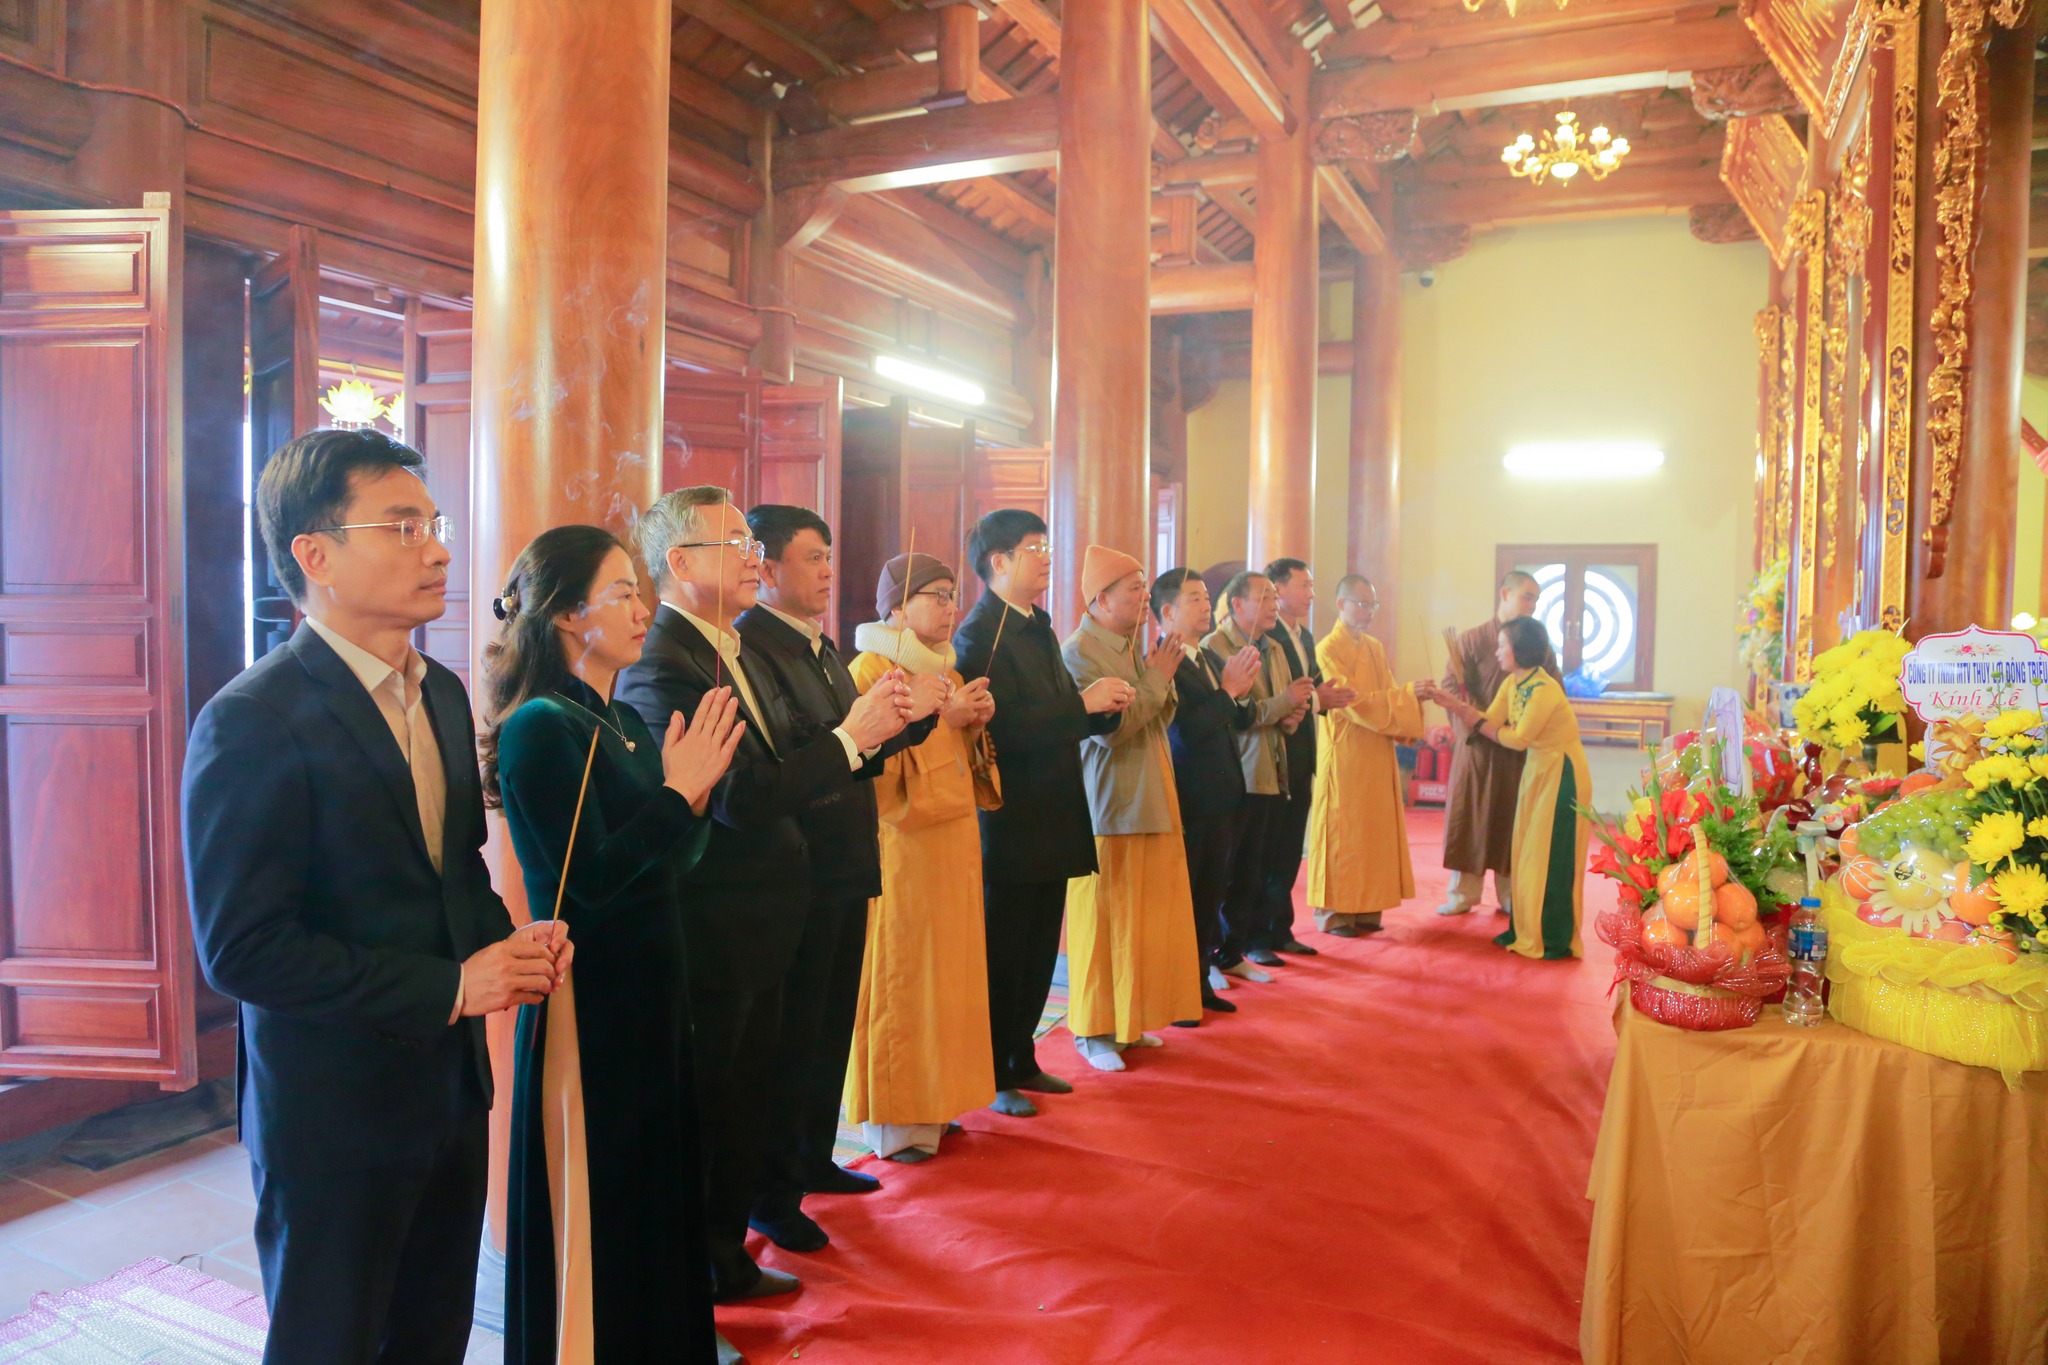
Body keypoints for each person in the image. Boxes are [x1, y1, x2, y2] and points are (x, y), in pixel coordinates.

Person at [182, 429, 567, 1365]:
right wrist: (454, 986)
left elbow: (452, 870)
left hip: (448, 1088)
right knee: (331, 1341)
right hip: (333, 1113)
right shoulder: (253, 718)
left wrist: (509, 944)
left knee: (432, 1334)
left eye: (433, 525)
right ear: (314, 555)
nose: (436, 550)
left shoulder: (440, 692)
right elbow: (243, 948)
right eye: (401, 527)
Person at [615, 487, 912, 1303]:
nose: (753, 557)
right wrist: (851, 737)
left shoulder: (727, 647)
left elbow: (780, 760)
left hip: (768, 908)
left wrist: (862, 734)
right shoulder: (663, 662)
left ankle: (729, 1251)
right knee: (714, 1110)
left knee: (748, 1096)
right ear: (680, 563)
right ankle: (705, 1270)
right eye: (735, 544)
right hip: (719, 916)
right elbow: (737, 796)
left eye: (752, 543)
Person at [485, 527, 743, 1365]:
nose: (642, 607)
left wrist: (691, 801)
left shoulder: (621, 718)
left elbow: (671, 861)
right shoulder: (540, 727)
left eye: (639, 590)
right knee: (603, 1202)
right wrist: (677, 794)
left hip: (652, 987)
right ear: (568, 614)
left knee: (656, 1193)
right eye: (623, 591)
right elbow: (589, 882)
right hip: (590, 1000)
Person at [735, 506, 943, 1253]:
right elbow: (806, 749)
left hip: (846, 857)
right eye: (812, 558)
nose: (828, 571)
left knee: (828, 1031)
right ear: (766, 568)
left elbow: (857, 748)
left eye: (829, 557)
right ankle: (771, 1195)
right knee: (792, 1039)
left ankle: (812, 1157)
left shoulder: (820, 645)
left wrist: (911, 718)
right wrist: (859, 730)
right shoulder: (753, 646)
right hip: (802, 865)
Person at [954, 511, 1133, 1117]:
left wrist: (1101, 711)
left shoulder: (1037, 624)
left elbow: (1057, 714)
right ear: (999, 561)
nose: (1047, 557)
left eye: (1046, 546)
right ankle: (992, 1072)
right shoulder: (981, 635)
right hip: (1010, 820)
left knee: (1036, 949)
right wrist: (1080, 706)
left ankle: (1021, 1056)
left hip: (1053, 809)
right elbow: (998, 730)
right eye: (1034, 548)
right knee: (1004, 951)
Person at [844, 552, 999, 1161]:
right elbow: (878, 779)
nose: (950, 606)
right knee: (904, 977)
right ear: (896, 608)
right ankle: (896, 1120)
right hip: (903, 850)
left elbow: (962, 763)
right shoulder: (871, 669)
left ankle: (938, 1101)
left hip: (952, 846)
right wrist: (944, 721)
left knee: (949, 976)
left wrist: (972, 722)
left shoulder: (945, 671)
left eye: (953, 594)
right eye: (936, 595)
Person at [1060, 546, 1205, 1067]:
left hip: (1149, 794)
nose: (1146, 597)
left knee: (1141, 921)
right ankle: (1094, 1031)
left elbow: (1154, 714)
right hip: (1110, 805)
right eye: (1135, 588)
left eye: (1145, 586)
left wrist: (1157, 678)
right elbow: (1111, 731)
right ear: (1101, 600)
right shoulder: (1080, 652)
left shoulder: (1127, 646)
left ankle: (1128, 1020)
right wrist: (1157, 679)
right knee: (1104, 923)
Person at [1422, 616, 1591, 960]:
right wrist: (1455, 706)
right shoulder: (1514, 683)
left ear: (1519, 650)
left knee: (1551, 854)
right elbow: (1493, 719)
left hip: (1562, 775)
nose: (1498, 651)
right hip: (1537, 771)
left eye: (1503, 646)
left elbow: (1516, 739)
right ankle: (1526, 928)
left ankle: (1552, 936)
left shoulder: (1544, 690)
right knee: (1527, 851)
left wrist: (1469, 714)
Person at [1153, 569, 1261, 1016]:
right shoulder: (1163, 662)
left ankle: (1198, 982)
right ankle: (1178, 993)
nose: (1205, 605)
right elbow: (1185, 733)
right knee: (1187, 898)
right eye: (1194, 598)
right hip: (1192, 797)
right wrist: (1228, 692)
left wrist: (1241, 692)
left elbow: (1236, 717)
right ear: (1167, 611)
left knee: (1210, 895)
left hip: (1223, 795)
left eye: (1205, 597)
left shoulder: (1208, 656)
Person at [1203, 571, 1313, 979]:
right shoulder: (1216, 647)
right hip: (1240, 774)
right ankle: (1214, 955)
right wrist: (1286, 703)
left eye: (1273, 598)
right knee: (1226, 873)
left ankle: (1237, 951)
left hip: (1273, 771)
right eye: (1264, 598)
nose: (1273, 606)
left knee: (1256, 869)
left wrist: (1291, 715)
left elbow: (1278, 709)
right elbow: (1239, 714)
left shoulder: (1274, 647)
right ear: (1237, 605)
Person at [1305, 576, 1424, 937]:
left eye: (1372, 604)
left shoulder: (1374, 647)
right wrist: (1406, 696)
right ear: (1341, 604)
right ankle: (1336, 913)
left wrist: (1408, 699)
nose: (1368, 611)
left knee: (1374, 831)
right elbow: (1349, 700)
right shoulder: (1327, 648)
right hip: (1346, 753)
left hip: (1377, 751)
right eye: (1361, 604)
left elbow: (1388, 691)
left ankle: (1370, 906)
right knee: (1344, 830)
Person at [1437, 569, 1557, 917]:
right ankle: (1463, 893)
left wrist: (1522, 723)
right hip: (1477, 745)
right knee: (1470, 818)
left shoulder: (1537, 645)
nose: (1532, 605)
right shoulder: (1473, 640)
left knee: (1512, 820)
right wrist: (1475, 719)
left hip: (1517, 747)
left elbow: (1553, 687)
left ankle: (1511, 894)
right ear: (1505, 594)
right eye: (1527, 597)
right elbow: (1450, 685)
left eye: (1536, 599)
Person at [1261, 558, 1357, 959]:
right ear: (1278, 590)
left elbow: (1312, 685)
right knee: (1267, 851)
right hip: (1275, 754)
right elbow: (1278, 694)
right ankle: (1255, 936)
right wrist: (1320, 698)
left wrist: (1325, 696)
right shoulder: (1266, 636)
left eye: (1312, 586)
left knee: (1288, 850)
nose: (1311, 595)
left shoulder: (1303, 634)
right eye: (1304, 586)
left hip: (1302, 753)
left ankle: (1280, 930)